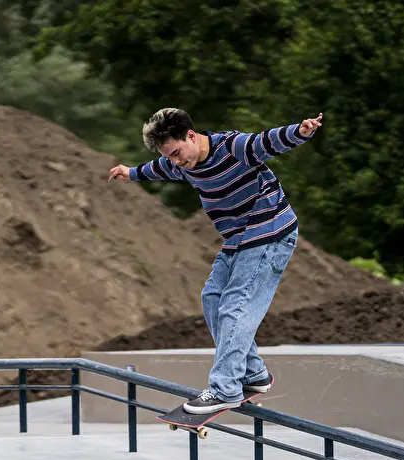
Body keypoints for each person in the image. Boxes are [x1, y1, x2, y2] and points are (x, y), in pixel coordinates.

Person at [109, 107, 323, 414]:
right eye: (170, 156)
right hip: (237, 240)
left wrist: (301, 132)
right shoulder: (183, 164)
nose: (176, 161)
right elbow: (156, 168)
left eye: (178, 152)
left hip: (270, 233)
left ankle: (225, 388)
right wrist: (129, 172)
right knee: (212, 298)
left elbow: (267, 141)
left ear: (192, 136)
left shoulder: (233, 147)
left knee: (235, 306)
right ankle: (253, 373)